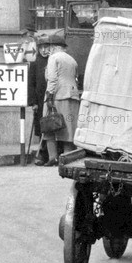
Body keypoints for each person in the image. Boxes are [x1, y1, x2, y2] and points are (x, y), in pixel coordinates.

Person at [37, 29, 80, 166]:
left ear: (54, 47)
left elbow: (53, 79)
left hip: (57, 96)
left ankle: (53, 157)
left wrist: (49, 96)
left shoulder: (53, 58)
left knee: (49, 125)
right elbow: (76, 78)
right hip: (72, 96)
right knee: (68, 127)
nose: (47, 49)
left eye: (49, 46)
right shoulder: (72, 59)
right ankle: (67, 157)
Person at [27, 27, 50, 165]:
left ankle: (52, 153)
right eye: (41, 47)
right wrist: (33, 102)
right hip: (39, 101)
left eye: (46, 47)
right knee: (41, 127)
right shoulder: (35, 62)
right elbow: (31, 83)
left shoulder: (53, 59)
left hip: (52, 99)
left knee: (53, 125)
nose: (43, 50)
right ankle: (42, 154)